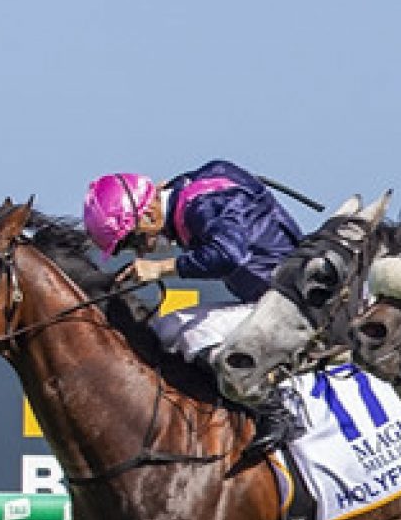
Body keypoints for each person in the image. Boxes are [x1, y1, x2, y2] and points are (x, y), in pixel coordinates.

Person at [82, 160, 306, 460]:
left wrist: (162, 268)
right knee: (168, 327)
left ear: (149, 214)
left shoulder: (200, 204)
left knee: (185, 330)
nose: (140, 252)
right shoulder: (188, 197)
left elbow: (229, 254)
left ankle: (276, 410)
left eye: (133, 240)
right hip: (277, 295)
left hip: (290, 304)